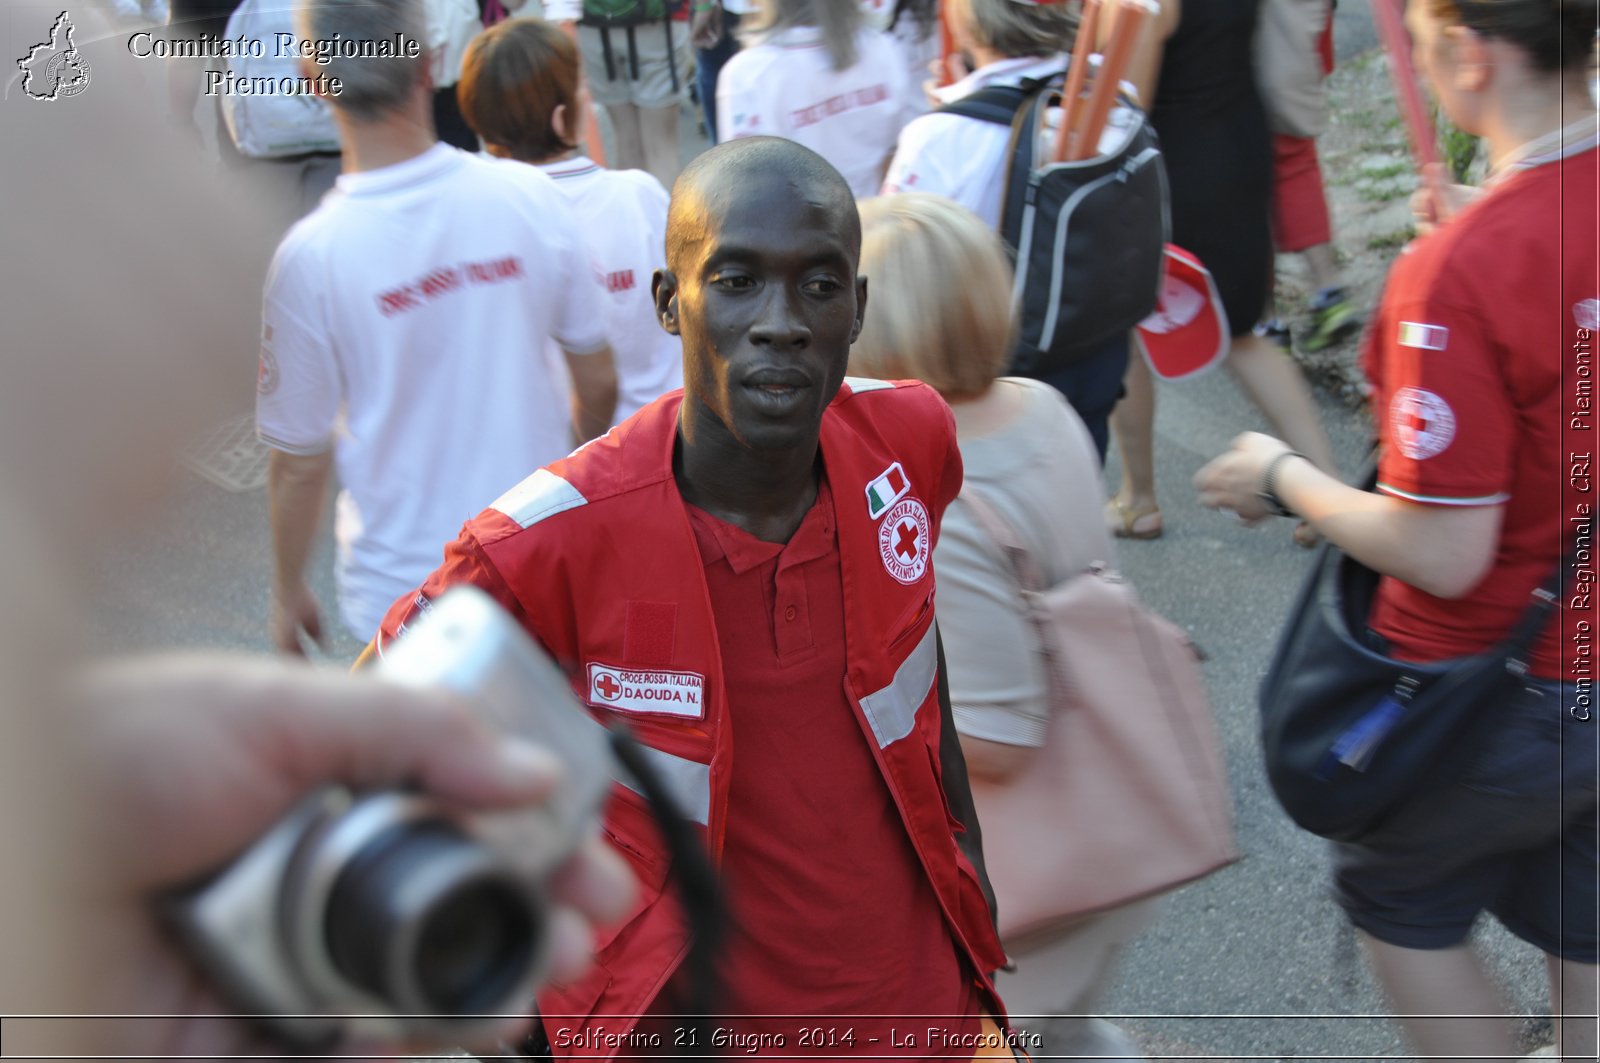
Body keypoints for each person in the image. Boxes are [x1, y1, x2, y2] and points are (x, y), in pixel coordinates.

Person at [369, 137, 1013, 1055]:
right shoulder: (548, 539)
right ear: (672, 303)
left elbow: (913, 651)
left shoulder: (910, 440)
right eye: (737, 280)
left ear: (858, 309)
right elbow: (376, 745)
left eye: (821, 286)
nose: (782, 321)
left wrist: (972, 865)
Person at [1194, 0, 1598, 1053]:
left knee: (1399, 900)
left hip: (1489, 687)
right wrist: (1489, 219)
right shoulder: (1504, 240)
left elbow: (1443, 550)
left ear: (1467, 52)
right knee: (1583, 921)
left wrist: (1282, 473)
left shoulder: (1459, 272)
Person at [849, 192, 1156, 1060]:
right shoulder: (1041, 407)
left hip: (1024, 872)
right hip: (1105, 817)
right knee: (1073, 1035)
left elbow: (997, 736)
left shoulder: (926, 497)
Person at [257, 0, 618, 654]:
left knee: (431, 759)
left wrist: (288, 591)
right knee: (556, 751)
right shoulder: (529, 197)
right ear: (428, 65)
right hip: (538, 554)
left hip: (406, 593)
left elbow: (297, 464)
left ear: (312, 77)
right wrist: (573, 491)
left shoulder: (310, 259)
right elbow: (597, 380)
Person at [1103, 0, 1336, 541]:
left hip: (1174, 169)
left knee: (1125, 333)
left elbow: (1125, 106)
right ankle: (1324, 490)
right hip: (1238, 140)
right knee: (1241, 332)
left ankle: (1139, 499)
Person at [880, 0, 1129, 461]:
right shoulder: (1112, 94)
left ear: (970, 18)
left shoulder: (941, 136)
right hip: (1094, 353)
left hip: (990, 385)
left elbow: (895, 272)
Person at [458, 17, 684, 425]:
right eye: (581, 86)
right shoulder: (638, 194)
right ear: (564, 118)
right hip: (663, 433)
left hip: (556, 456)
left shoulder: (478, 223)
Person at [716, 0, 919, 200]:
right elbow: (899, 156)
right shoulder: (883, 48)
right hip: (878, 220)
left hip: (802, 228)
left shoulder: (749, 74)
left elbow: (745, 188)